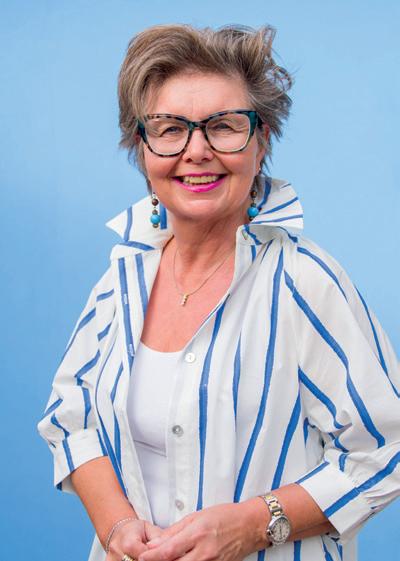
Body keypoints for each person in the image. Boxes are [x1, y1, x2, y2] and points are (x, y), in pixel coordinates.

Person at [38, 23, 400, 561]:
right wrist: (117, 528)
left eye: (224, 126)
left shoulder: (304, 280)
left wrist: (254, 526)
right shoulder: (123, 277)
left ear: (261, 140)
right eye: (169, 129)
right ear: (141, 147)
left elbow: (386, 451)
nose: (197, 150)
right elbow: (71, 418)